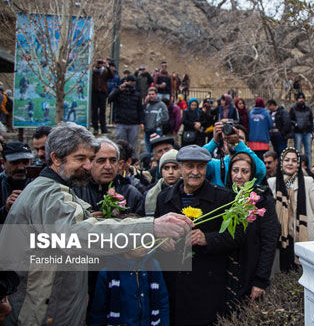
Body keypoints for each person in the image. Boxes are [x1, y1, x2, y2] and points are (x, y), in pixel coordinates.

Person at [0, 122, 192, 326]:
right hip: (40, 312)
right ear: (56, 158)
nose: (87, 166)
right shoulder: (49, 193)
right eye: (80, 158)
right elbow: (80, 233)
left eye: (89, 159)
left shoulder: (59, 190)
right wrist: (151, 228)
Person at [155, 145, 244, 325]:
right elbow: (155, 231)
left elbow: (238, 237)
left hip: (207, 285)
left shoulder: (223, 199)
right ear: (180, 168)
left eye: (200, 167)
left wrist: (208, 239)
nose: (195, 172)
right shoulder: (164, 198)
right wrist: (160, 242)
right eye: (189, 166)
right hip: (174, 285)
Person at [225, 152, 280, 302]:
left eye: (245, 171)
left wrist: (260, 280)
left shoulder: (262, 198)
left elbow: (269, 241)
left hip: (250, 269)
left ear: (252, 174)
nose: (239, 176)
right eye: (235, 170)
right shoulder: (224, 197)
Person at [267, 147, 314, 272]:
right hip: (281, 236)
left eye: (294, 160)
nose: (290, 163)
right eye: (287, 160)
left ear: (298, 164)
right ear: (281, 163)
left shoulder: (308, 182)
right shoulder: (272, 183)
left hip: (304, 234)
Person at [88, 248, 169, 326]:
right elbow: (98, 313)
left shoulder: (153, 266)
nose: (145, 244)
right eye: (138, 239)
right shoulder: (107, 273)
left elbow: (163, 303)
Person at [73, 137, 145, 215]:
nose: (108, 166)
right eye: (101, 161)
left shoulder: (131, 194)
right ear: (90, 163)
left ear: (118, 164)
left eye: (113, 161)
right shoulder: (76, 192)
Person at [203, 122, 266, 187]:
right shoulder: (216, 166)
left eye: (239, 138)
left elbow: (261, 170)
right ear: (222, 146)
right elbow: (198, 160)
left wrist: (238, 144)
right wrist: (214, 142)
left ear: (246, 145)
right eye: (227, 138)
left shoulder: (252, 166)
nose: (232, 140)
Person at [0, 142, 34, 224]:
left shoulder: (38, 183)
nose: (21, 167)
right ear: (3, 162)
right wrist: (6, 210)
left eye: (25, 162)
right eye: (14, 162)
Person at [108, 75, 144, 151]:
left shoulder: (137, 95)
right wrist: (119, 89)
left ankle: (132, 160)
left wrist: (141, 122)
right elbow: (110, 99)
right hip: (121, 123)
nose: (130, 84)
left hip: (133, 123)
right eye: (128, 82)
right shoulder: (118, 92)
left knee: (132, 147)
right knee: (121, 145)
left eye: (132, 82)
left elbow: (140, 109)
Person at [144, 149, 181, 216]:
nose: (170, 172)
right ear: (161, 171)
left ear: (181, 170)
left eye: (175, 167)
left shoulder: (188, 192)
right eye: (166, 168)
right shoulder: (149, 194)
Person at [289, 92, 314, 169]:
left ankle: (308, 168)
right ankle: (298, 168)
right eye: (300, 98)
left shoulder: (308, 109)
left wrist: (312, 131)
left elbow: (311, 120)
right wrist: (295, 124)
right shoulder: (293, 109)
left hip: (307, 132)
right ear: (297, 100)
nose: (301, 100)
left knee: (308, 152)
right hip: (297, 132)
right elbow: (290, 120)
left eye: (302, 98)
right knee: (298, 152)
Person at [91, 59, 114, 135]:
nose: (100, 64)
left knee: (102, 111)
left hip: (103, 93)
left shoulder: (105, 71)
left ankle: (103, 128)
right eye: (99, 63)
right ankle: (95, 128)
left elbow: (111, 76)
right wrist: (93, 65)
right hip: (94, 92)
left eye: (101, 63)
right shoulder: (93, 71)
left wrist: (107, 66)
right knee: (94, 111)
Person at [144, 87, 169, 153]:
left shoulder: (161, 105)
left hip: (157, 131)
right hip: (147, 131)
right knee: (148, 151)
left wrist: (156, 125)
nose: (151, 96)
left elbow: (165, 118)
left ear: (156, 94)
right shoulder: (147, 105)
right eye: (149, 94)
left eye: (153, 94)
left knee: (156, 151)